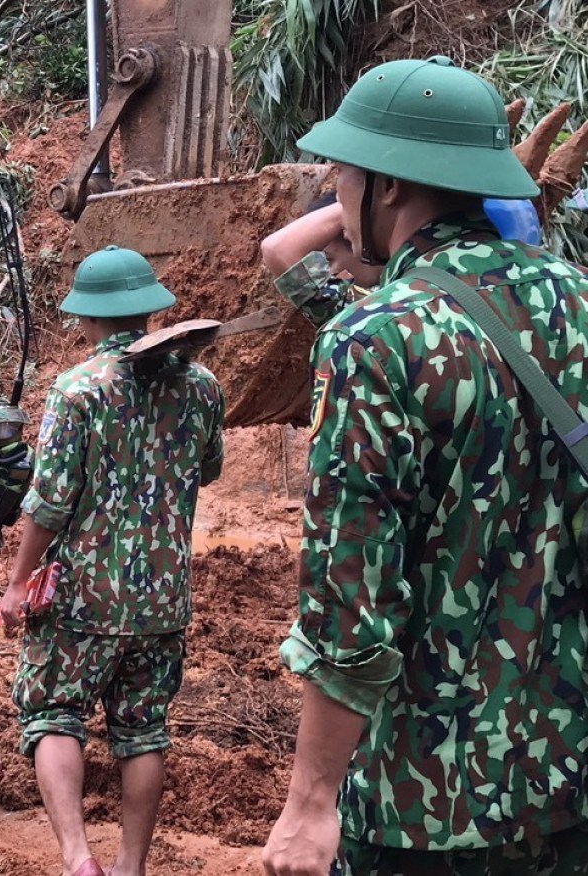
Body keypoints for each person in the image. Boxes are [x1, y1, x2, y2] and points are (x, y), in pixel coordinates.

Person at [261, 57, 588, 876]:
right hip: (568, 777)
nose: (332, 191)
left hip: (424, 801)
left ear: (388, 186)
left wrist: (308, 804)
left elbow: (350, 594)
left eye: (340, 174)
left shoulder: (375, 338)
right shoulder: (576, 302)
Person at [0, 246, 224, 876]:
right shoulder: (201, 385)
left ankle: (78, 859)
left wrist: (18, 585)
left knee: (53, 712)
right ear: (150, 311)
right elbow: (208, 469)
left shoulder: (77, 390)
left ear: (88, 318)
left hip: (82, 597)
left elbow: (48, 505)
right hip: (163, 595)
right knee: (143, 729)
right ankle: (131, 866)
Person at [260, 194, 384, 326]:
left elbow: (278, 249)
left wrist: (353, 202)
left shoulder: (367, 311)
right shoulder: (400, 297)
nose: (326, 273)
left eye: (327, 261)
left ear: (361, 246)